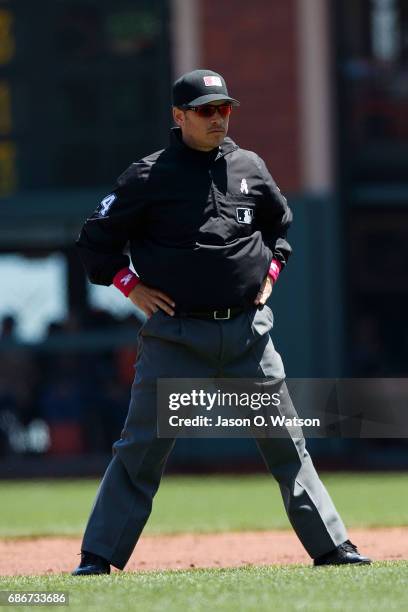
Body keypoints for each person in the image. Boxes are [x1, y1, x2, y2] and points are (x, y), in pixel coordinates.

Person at [72, 69, 370, 575]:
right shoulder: (147, 176)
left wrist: (272, 270)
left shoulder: (249, 165)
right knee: (141, 449)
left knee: (287, 444)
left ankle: (332, 548)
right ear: (179, 116)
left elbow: (280, 227)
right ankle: (98, 558)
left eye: (224, 108)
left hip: (246, 334)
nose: (218, 118)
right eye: (206, 110)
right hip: (176, 335)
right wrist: (130, 286)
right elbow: (94, 242)